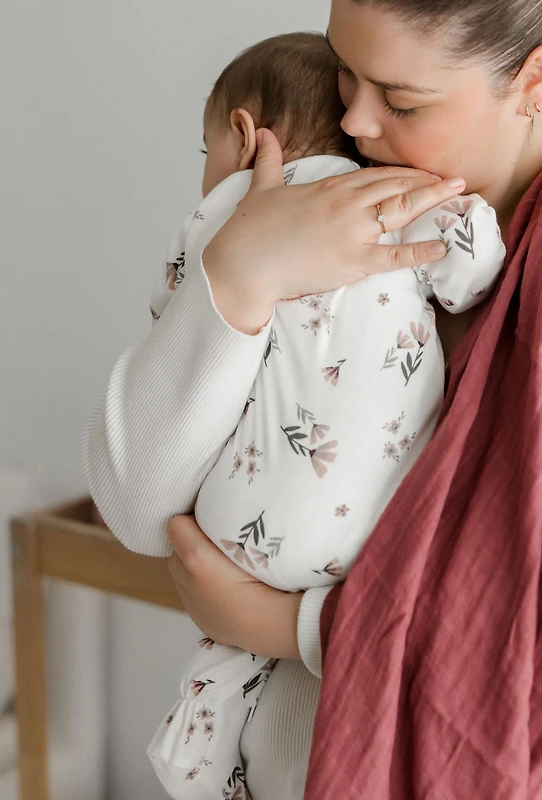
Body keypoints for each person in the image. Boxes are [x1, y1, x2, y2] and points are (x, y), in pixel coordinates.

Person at [82, 1, 542, 798]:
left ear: (534, 80)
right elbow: (139, 512)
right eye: (344, 70)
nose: (353, 118)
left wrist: (291, 627)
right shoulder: (308, 199)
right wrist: (241, 272)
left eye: (401, 101)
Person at [139, 32, 505, 798]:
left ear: (244, 137)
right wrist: (455, 203)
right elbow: (473, 277)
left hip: (235, 530)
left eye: (202, 149)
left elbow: (175, 323)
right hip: (368, 543)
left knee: (230, 643)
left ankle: (198, 756)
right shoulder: (394, 200)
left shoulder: (225, 214)